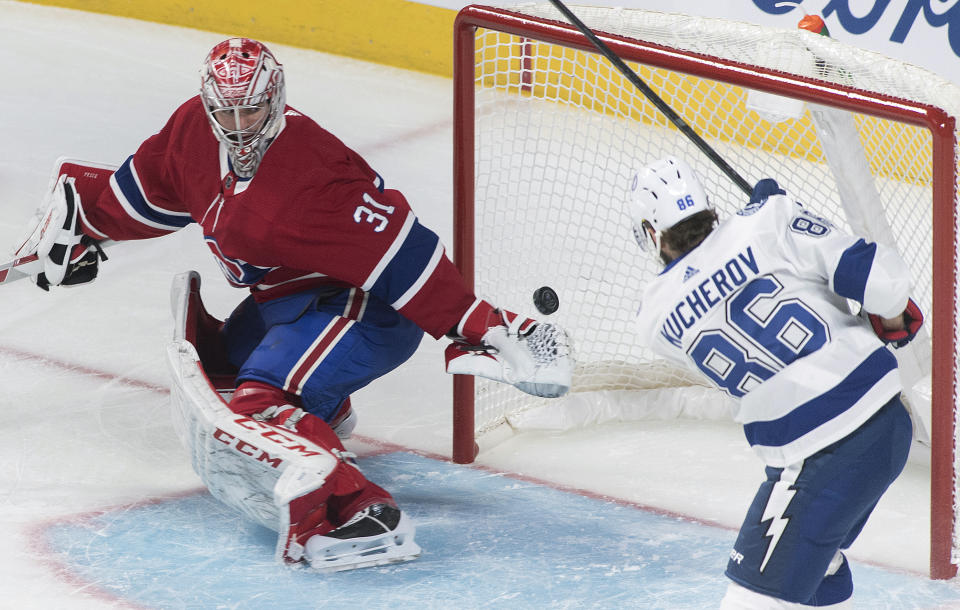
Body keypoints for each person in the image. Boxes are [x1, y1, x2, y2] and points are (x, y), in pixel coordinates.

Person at [17, 37, 572, 572]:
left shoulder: (315, 177)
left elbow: (405, 250)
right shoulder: (194, 128)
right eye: (225, 113)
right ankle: (319, 408)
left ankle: (360, 512)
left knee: (257, 405)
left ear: (275, 98)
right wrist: (85, 226)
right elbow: (153, 187)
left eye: (251, 113)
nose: (237, 129)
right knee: (228, 371)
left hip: (366, 309)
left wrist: (484, 326)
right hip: (289, 298)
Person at [628, 156, 922, 608]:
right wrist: (789, 215)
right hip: (881, 427)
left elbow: (714, 283)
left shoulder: (653, 320)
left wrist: (764, 225)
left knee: (752, 599)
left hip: (818, 454)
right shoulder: (768, 221)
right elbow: (883, 284)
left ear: (651, 234)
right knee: (814, 571)